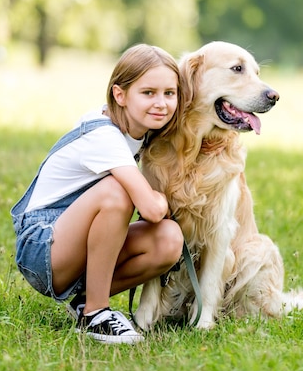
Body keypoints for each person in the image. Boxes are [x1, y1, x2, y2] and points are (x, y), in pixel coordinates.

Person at [10, 44, 185, 344]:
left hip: (79, 244)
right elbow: (153, 209)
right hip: (43, 246)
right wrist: (161, 199)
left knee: (169, 240)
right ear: (120, 95)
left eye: (169, 93)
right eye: (148, 93)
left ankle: (86, 301)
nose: (161, 103)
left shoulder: (140, 131)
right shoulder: (104, 134)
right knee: (117, 193)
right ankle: (95, 315)